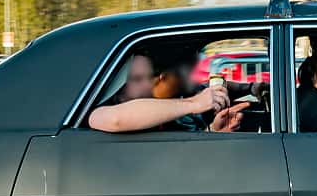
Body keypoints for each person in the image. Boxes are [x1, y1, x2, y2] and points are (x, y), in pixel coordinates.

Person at [87, 50, 248, 134]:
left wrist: (212, 130)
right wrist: (194, 103)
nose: (147, 84)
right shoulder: (100, 112)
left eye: (148, 77)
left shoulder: (158, 111)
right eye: (136, 79)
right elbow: (115, 119)